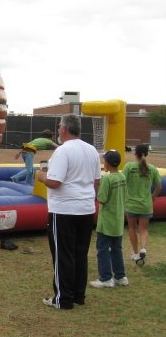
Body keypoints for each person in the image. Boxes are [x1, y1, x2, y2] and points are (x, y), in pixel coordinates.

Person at [37, 114, 101, 309]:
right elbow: (97, 181)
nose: (57, 131)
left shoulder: (63, 151)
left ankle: (62, 299)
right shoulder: (91, 150)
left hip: (63, 210)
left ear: (64, 129)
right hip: (86, 209)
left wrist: (41, 176)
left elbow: (55, 182)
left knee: (62, 254)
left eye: (59, 127)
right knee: (79, 254)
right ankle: (77, 295)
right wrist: (87, 197)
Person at [89, 150, 129, 288]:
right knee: (116, 248)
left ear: (107, 163)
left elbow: (102, 199)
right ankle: (120, 276)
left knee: (103, 249)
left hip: (106, 221)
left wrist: (96, 186)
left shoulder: (107, 179)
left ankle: (106, 278)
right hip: (118, 220)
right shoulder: (122, 177)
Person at [122, 144, 162, 265]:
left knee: (132, 228)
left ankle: (135, 253)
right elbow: (159, 187)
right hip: (146, 204)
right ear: (147, 154)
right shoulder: (153, 169)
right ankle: (143, 248)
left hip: (131, 204)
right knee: (143, 229)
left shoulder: (129, 166)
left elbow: (122, 182)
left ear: (135, 154)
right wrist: (153, 198)